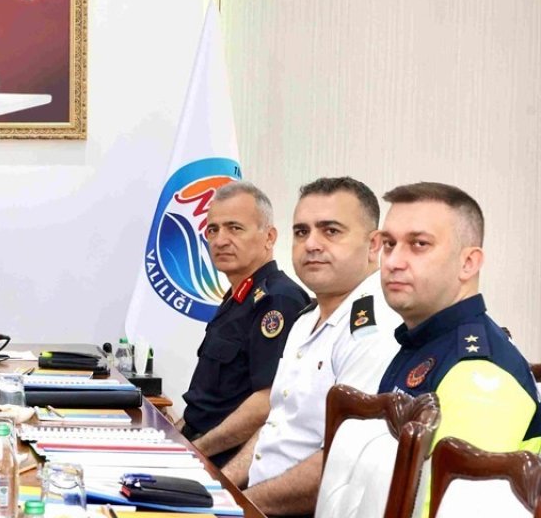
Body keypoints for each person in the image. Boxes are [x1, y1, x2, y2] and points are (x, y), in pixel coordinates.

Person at [220, 177, 402, 517]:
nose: (311, 244)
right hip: (256, 502)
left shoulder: (375, 328)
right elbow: (278, 427)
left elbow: (342, 466)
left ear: (374, 245)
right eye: (302, 232)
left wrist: (235, 505)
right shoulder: (306, 320)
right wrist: (218, 487)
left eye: (330, 231)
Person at [374, 182, 540, 516]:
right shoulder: (425, 340)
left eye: (419, 244)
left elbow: (448, 509)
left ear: (468, 263)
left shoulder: (478, 372)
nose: (393, 261)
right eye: (389, 244)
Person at [178, 181, 310, 467]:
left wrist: (195, 450)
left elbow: (267, 401)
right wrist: (174, 437)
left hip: (228, 463)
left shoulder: (277, 300)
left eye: (234, 228)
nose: (220, 240)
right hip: (200, 448)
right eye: (213, 230)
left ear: (269, 237)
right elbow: (208, 401)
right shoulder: (238, 297)